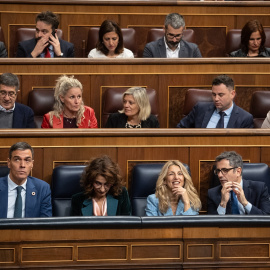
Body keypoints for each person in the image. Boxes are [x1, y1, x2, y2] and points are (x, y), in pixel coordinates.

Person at [177, 75, 254, 128]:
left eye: (221, 95)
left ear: (232, 94)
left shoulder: (245, 118)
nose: (216, 99)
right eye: (214, 94)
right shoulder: (200, 109)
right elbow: (180, 129)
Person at [0, 142, 52, 218]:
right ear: (9, 163)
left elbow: (45, 223)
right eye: (17, 160)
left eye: (27, 160)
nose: (22, 165)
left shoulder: (42, 188)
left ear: (32, 164)